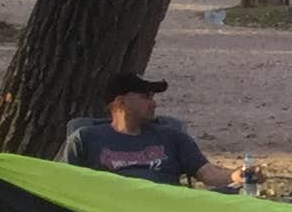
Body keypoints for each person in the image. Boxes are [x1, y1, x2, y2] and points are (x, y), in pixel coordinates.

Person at [65, 72, 238, 190]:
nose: (153, 103)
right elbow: (63, 183)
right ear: (121, 102)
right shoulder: (86, 139)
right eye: (145, 97)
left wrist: (238, 175)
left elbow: (209, 174)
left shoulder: (173, 137)